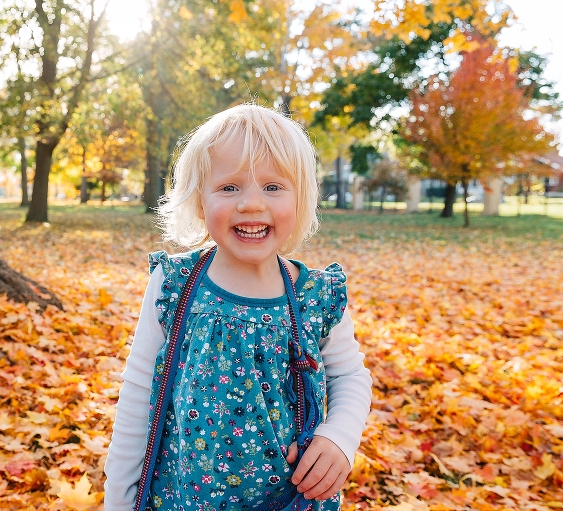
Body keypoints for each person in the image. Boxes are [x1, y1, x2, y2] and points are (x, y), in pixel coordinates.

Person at [105, 104, 372, 511]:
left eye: (273, 187)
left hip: (290, 498)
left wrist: (340, 437)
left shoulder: (315, 296)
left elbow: (350, 375)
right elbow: (139, 393)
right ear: (198, 201)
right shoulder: (175, 286)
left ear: (300, 200)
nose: (251, 204)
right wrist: (118, 502)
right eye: (229, 187)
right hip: (185, 499)